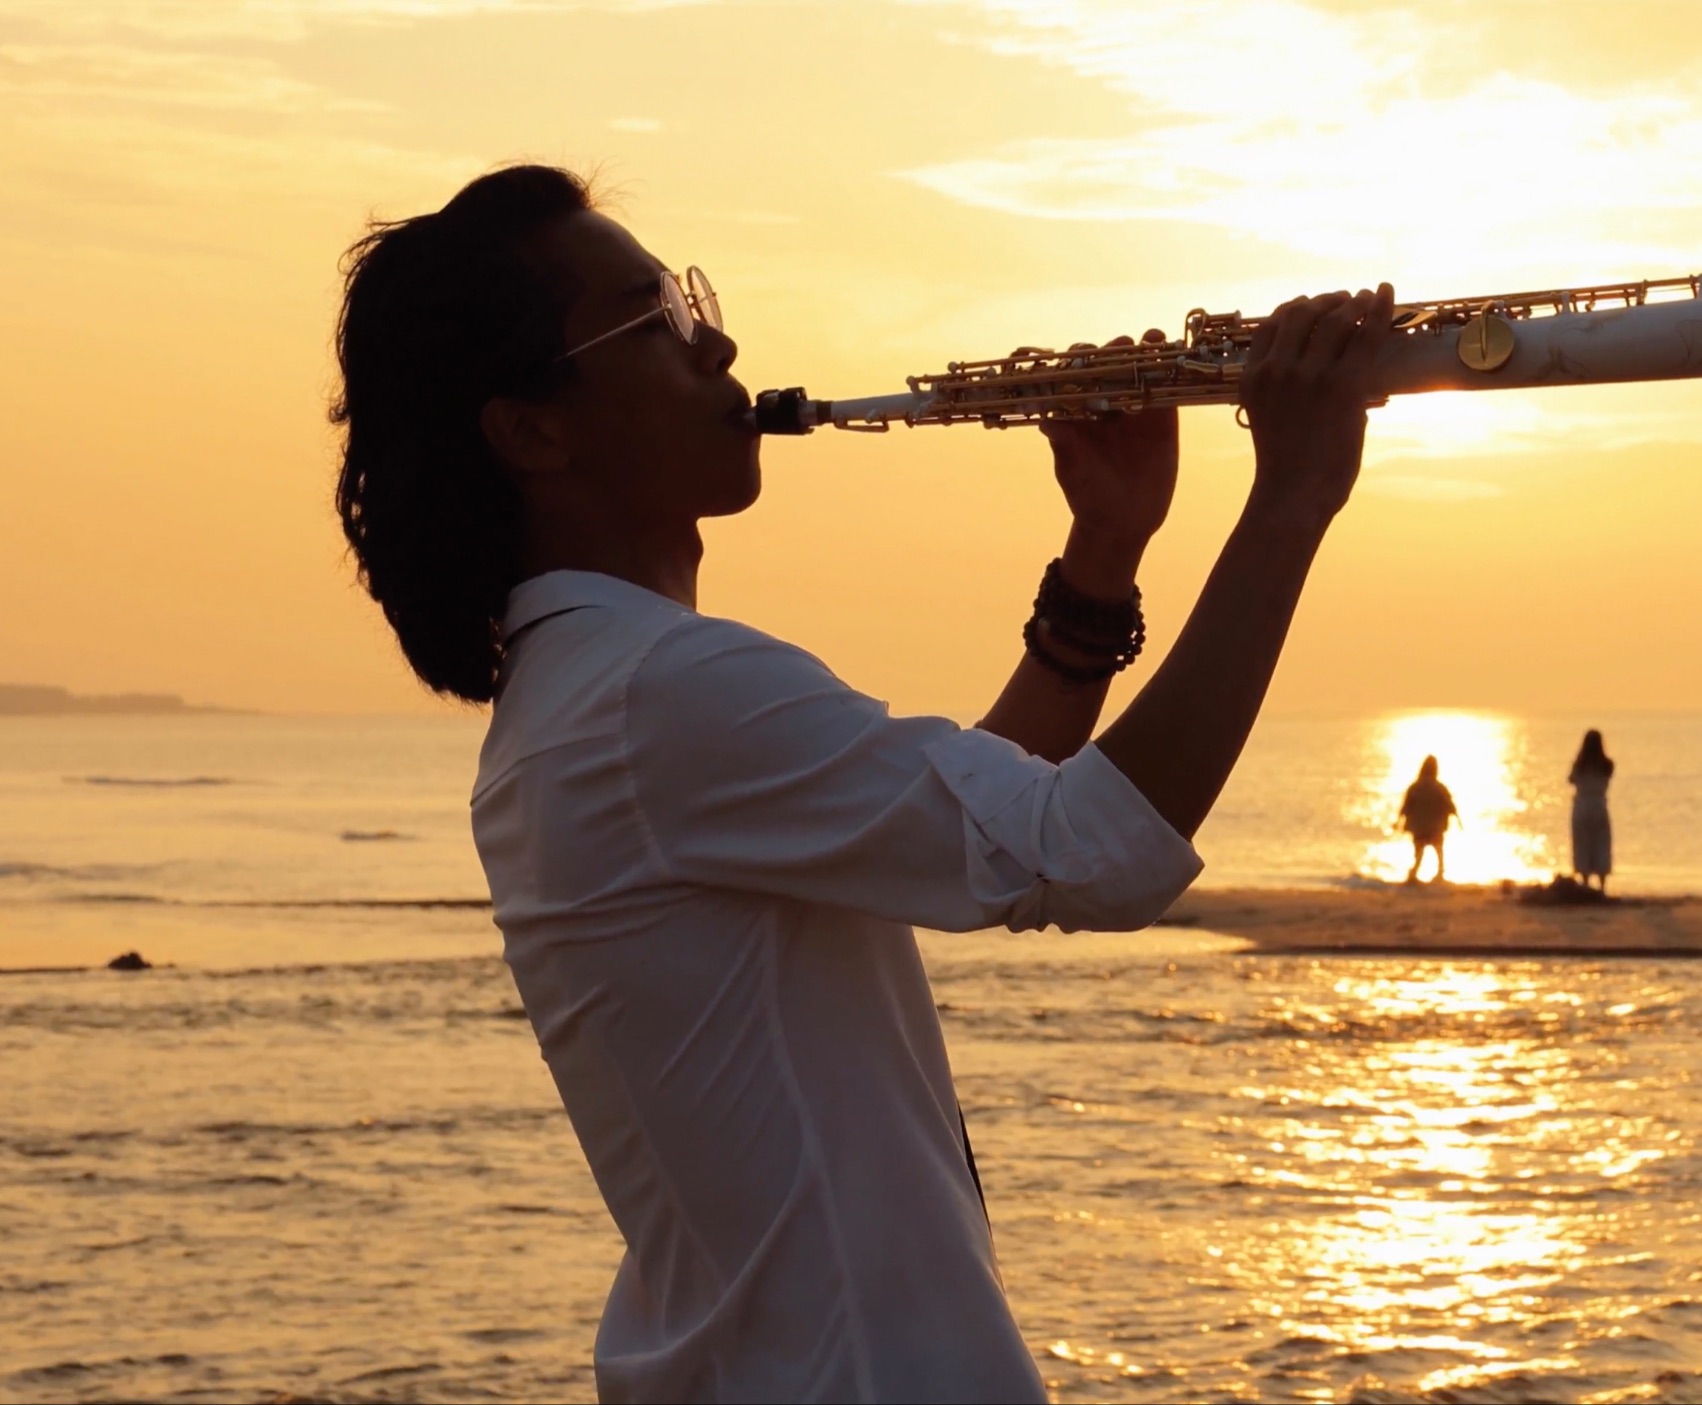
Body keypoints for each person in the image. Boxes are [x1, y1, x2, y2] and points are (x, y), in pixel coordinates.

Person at [329, 165, 1394, 1404]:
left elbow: (996, 812)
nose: (716, 338)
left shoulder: (598, 692)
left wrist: (1103, 553)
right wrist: (1292, 497)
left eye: (690, 298)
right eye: (655, 320)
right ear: (532, 429)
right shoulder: (653, 691)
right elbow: (1092, 851)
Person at [1395, 754, 1458, 883]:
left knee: (1419, 852)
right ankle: (1440, 873)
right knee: (1439, 850)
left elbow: (1406, 806)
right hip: (1436, 826)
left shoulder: (1415, 787)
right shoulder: (1440, 788)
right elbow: (1450, 805)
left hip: (1418, 827)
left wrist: (1398, 821)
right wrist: (1457, 819)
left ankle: (1413, 873)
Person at [1568, 729, 1615, 892]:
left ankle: (1585, 880)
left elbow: (1571, 779)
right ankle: (1602, 885)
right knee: (1601, 843)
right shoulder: (1607, 765)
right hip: (1599, 804)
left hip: (1582, 804)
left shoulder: (1579, 765)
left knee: (1583, 842)